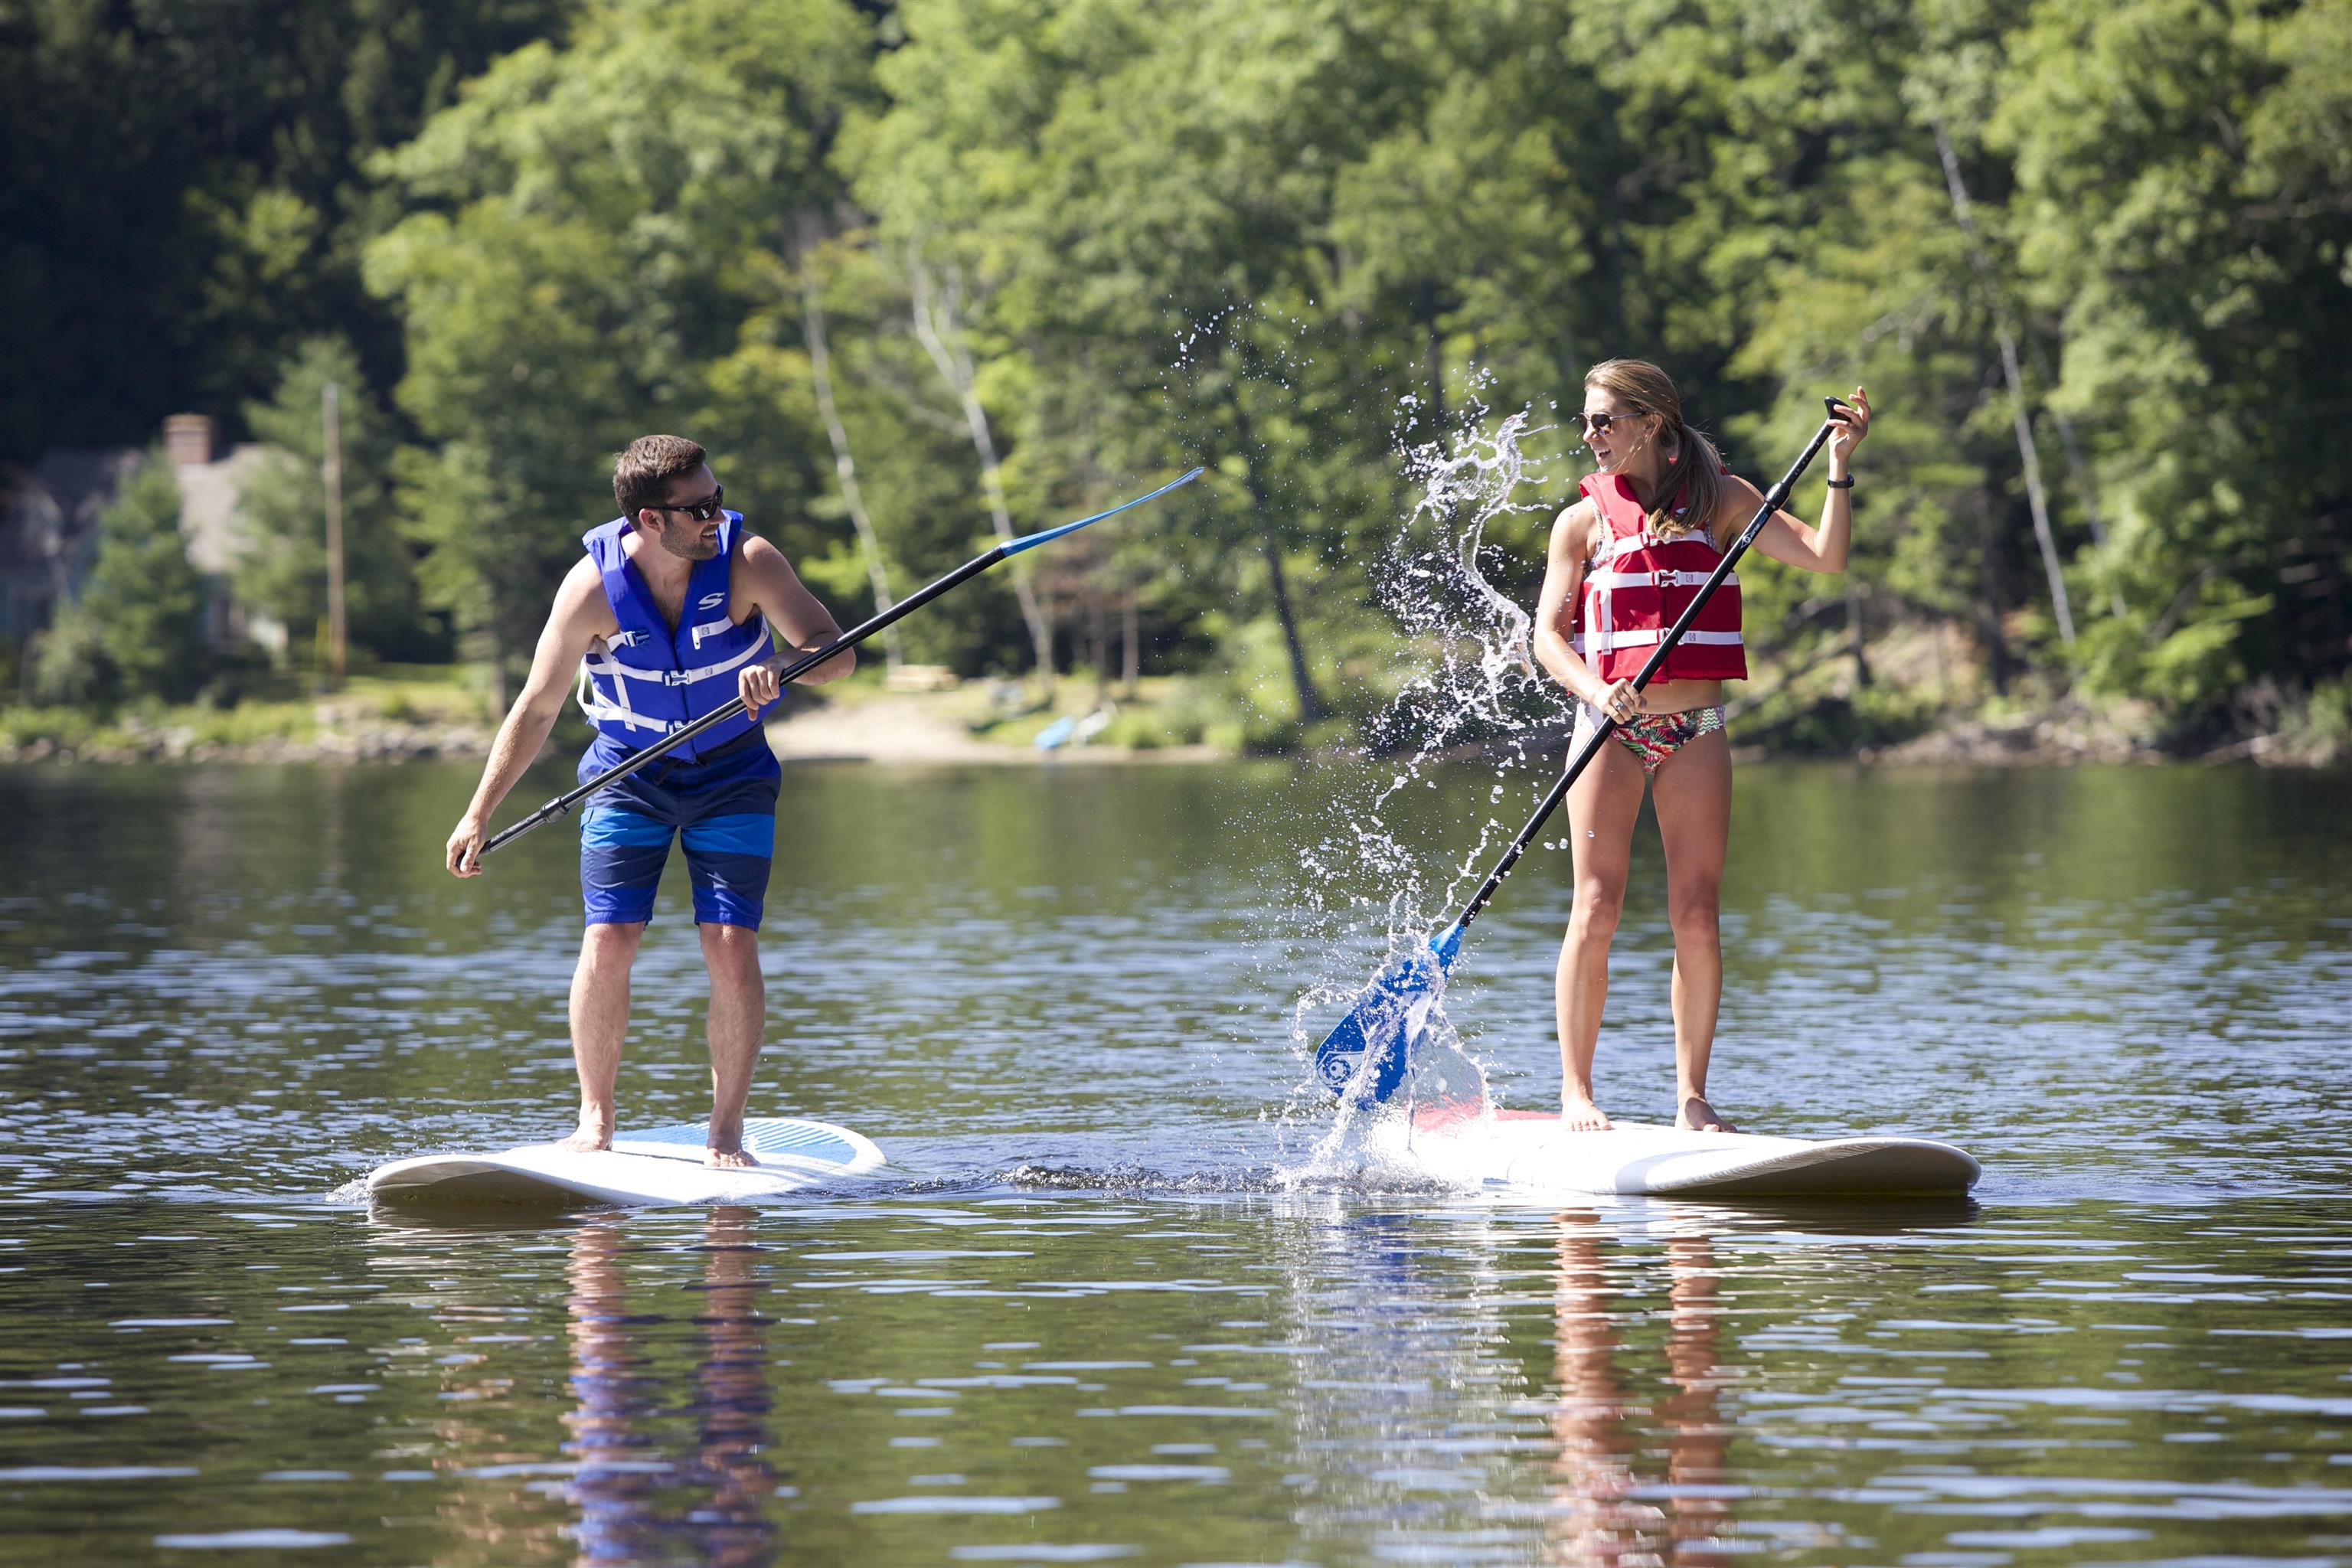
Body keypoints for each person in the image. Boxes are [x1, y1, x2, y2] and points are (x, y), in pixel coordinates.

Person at [443, 435, 854, 1167]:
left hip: (734, 774)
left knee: (730, 945)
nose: (715, 517)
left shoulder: (749, 561)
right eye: (698, 508)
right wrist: (479, 812)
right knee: (609, 938)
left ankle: (725, 1132)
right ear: (647, 520)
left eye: (717, 500)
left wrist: (785, 669)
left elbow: (837, 649)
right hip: (626, 775)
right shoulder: (590, 590)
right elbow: (536, 709)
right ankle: (595, 1119)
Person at [1530, 361, 1870, 1133]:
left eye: (1603, 420)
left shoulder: (1723, 500)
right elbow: (1547, 637)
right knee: (1597, 903)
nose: (1590, 434)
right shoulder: (1580, 522)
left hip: (1696, 731)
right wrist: (1593, 690)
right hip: (1609, 730)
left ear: (1651, 422)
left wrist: (1839, 469)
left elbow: (1824, 555)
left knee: (1697, 912)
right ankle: (1577, 1092)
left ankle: (1692, 1097)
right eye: (1587, 421)